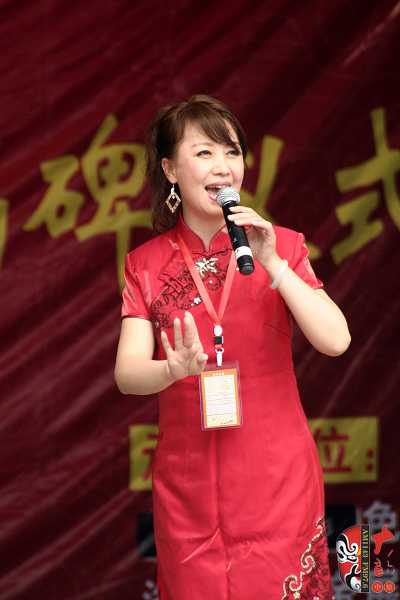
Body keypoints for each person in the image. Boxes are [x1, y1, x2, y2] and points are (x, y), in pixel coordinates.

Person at [114, 94, 351, 600]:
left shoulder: (281, 244)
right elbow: (128, 373)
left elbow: (336, 340)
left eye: (232, 152)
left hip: (276, 479)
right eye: (204, 153)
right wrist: (171, 370)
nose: (223, 167)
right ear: (170, 169)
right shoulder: (145, 264)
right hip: (189, 489)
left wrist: (275, 264)